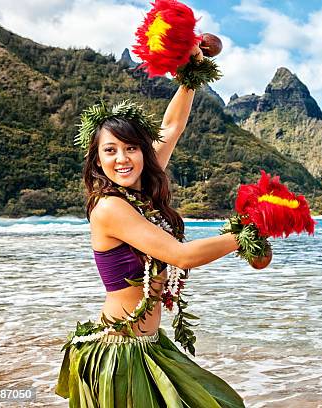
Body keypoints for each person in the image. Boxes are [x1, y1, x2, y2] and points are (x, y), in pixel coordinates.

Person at [55, 44, 245, 408]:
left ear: (143, 152)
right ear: (97, 160)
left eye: (130, 148)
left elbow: (171, 127)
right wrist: (244, 236)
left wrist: (191, 74)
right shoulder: (110, 207)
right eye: (110, 151)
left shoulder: (140, 187)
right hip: (119, 356)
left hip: (150, 346)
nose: (122, 159)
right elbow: (181, 256)